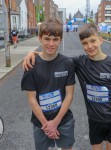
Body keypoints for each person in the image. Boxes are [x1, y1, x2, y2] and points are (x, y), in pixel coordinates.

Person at [23, 23, 111, 150]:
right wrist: (33, 53)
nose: (90, 46)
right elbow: (55, 59)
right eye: (85, 43)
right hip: (95, 120)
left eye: (93, 41)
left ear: (100, 40)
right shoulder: (80, 62)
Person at [21, 18, 76, 150]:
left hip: (63, 119)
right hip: (40, 121)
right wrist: (47, 124)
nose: (51, 43)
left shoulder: (67, 63)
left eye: (55, 39)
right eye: (47, 39)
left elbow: (69, 95)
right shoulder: (31, 65)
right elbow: (31, 99)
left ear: (60, 40)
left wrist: (55, 122)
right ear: (40, 38)